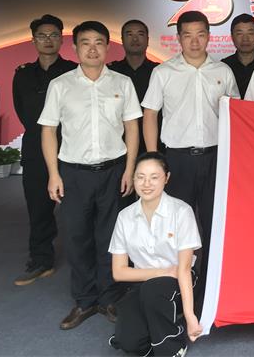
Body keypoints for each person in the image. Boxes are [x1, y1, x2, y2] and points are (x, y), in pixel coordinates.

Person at [38, 21, 142, 329]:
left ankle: (109, 297)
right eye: (86, 43)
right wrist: (53, 174)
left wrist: (130, 168)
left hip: (113, 171)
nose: (93, 49)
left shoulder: (122, 83)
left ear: (108, 47)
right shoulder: (61, 85)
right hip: (73, 174)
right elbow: (48, 131)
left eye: (99, 42)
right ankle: (84, 300)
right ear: (75, 48)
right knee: (77, 237)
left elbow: (132, 127)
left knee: (110, 237)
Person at [142, 10, 238, 309]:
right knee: (175, 227)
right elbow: (150, 114)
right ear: (178, 38)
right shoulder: (163, 72)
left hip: (215, 159)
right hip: (177, 160)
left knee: (213, 225)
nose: (195, 41)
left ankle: (208, 291)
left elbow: (235, 114)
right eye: (188, 35)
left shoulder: (223, 71)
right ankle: (173, 289)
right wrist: (154, 159)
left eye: (200, 34)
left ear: (209, 36)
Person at [108, 152, 202, 357]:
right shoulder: (125, 217)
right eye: (140, 177)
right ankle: (154, 325)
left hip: (180, 280)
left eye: (154, 177)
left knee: (154, 291)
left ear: (166, 178)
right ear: (133, 178)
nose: (146, 184)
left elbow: (183, 269)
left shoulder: (181, 212)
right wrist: (162, 272)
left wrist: (190, 316)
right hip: (144, 282)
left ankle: (173, 346)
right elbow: (119, 272)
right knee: (128, 342)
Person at [11, 14, 76, 286]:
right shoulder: (23, 74)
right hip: (36, 150)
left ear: (62, 39)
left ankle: (86, 262)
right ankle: (41, 260)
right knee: (38, 207)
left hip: (71, 148)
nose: (48, 40)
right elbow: (21, 110)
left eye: (53, 35)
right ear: (33, 40)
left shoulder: (74, 71)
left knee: (78, 209)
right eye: (42, 36)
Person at [108, 19, 159, 155]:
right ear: (122, 40)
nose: (135, 39)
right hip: (119, 146)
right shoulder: (110, 72)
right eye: (129, 34)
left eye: (140, 34)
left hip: (155, 144)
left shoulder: (159, 72)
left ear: (148, 40)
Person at [221, 13, 254, 99]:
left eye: (250, 33)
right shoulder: (223, 66)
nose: (245, 39)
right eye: (239, 34)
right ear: (232, 37)